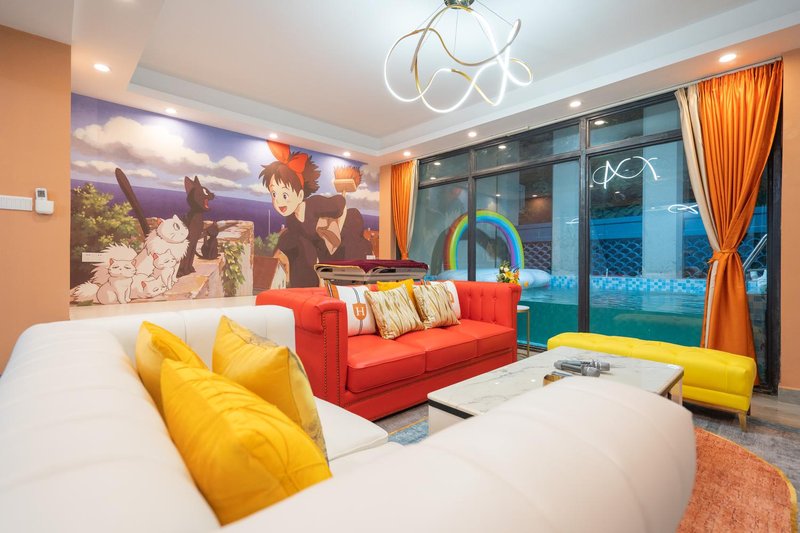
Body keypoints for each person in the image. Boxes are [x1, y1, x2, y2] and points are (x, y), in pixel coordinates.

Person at [260, 141, 371, 287]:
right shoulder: (291, 219)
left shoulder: (314, 205)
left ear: (300, 195)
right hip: (322, 249)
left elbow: (340, 204)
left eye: (285, 195)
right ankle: (304, 286)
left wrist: (336, 231)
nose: (278, 201)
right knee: (288, 241)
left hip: (344, 239)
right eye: (274, 194)